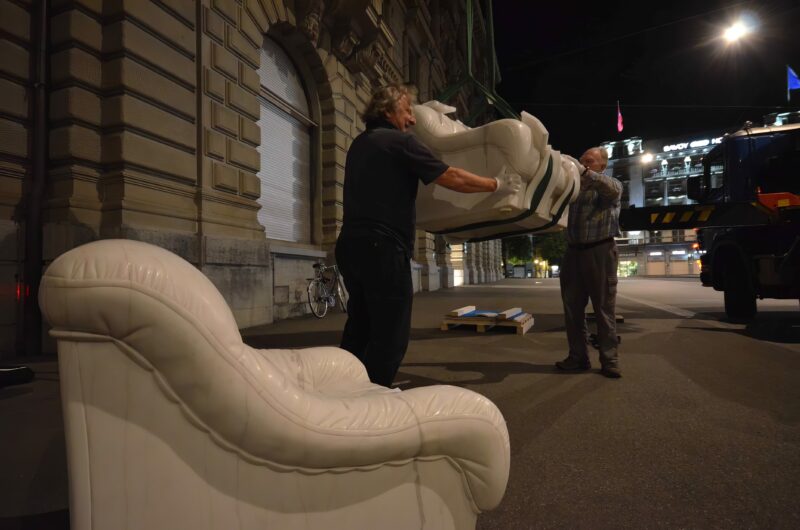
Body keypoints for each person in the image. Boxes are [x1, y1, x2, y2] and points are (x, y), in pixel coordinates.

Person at [336, 84, 522, 387]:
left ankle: (341, 388)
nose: (412, 120)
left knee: (360, 325)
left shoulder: (360, 143)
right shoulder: (400, 143)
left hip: (350, 247)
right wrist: (495, 185)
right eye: (408, 110)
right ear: (388, 110)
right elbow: (453, 177)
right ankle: (371, 400)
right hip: (381, 248)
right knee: (390, 335)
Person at [556, 147, 623, 378]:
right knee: (572, 310)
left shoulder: (609, 186)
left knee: (604, 309)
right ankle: (578, 357)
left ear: (602, 166)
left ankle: (609, 360)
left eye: (589, 160)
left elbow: (613, 190)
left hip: (600, 250)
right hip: (573, 252)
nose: (583, 162)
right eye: (582, 159)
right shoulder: (572, 190)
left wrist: (584, 173)